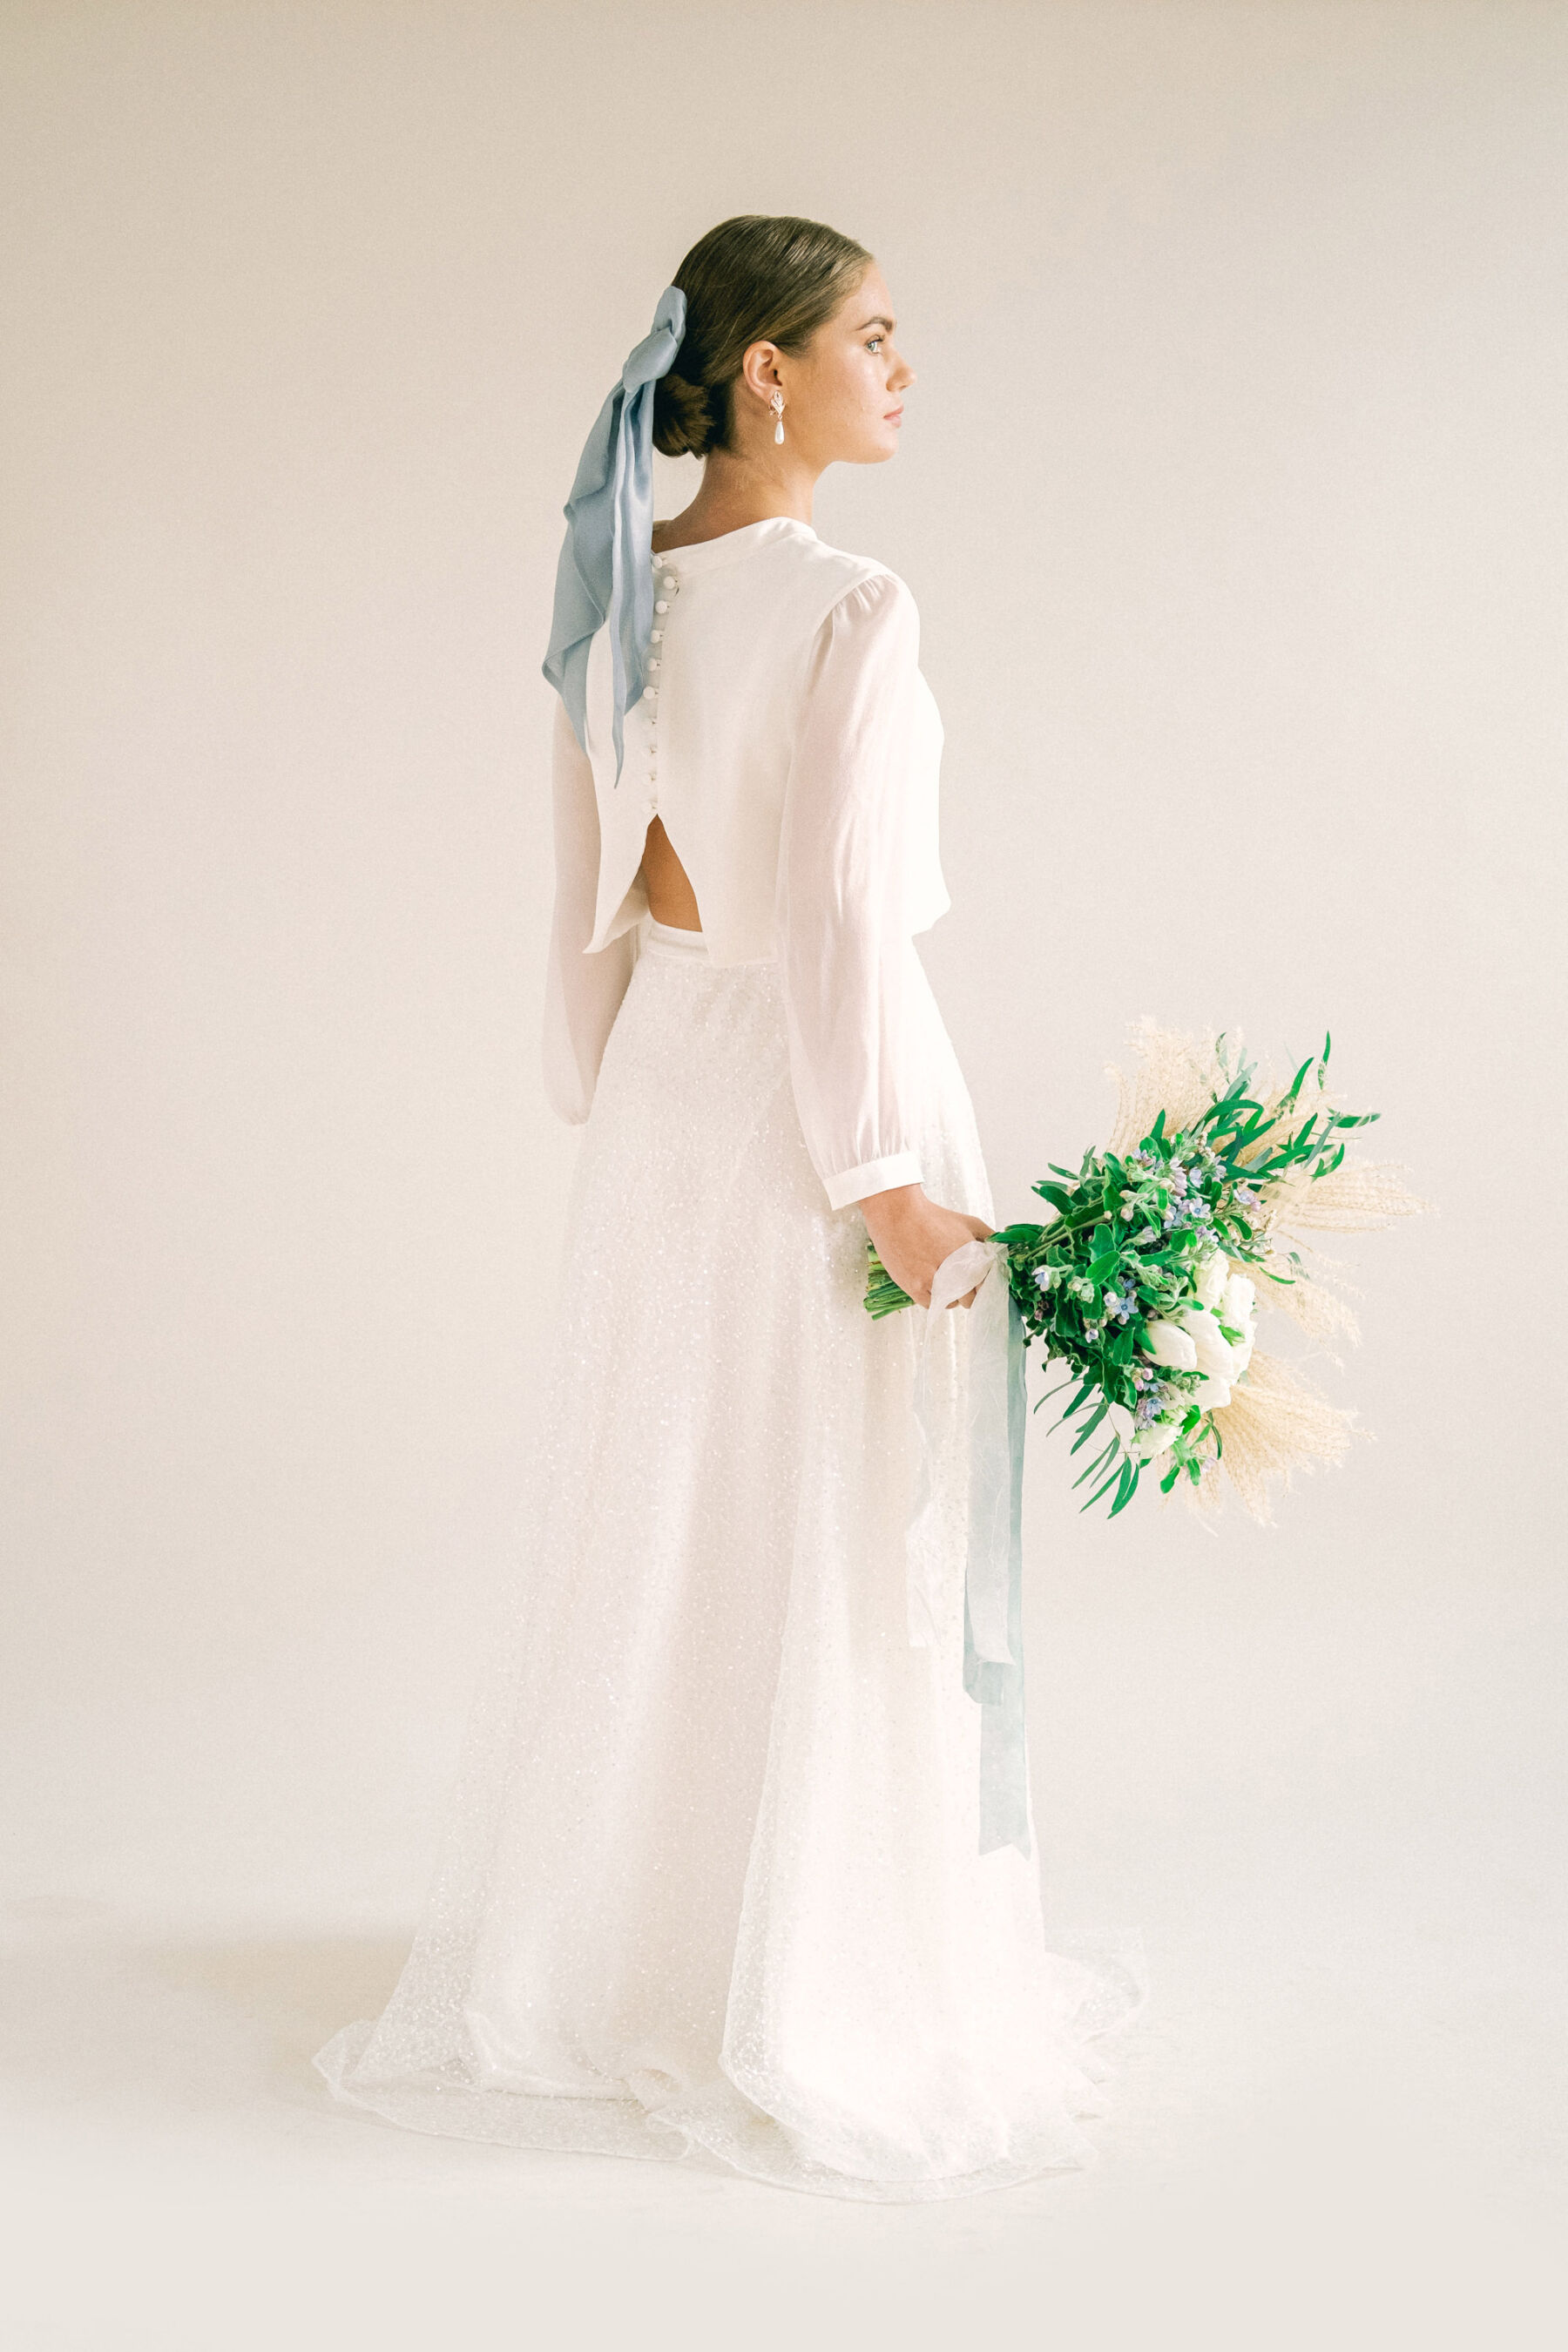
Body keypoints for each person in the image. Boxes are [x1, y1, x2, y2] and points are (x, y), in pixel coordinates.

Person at [314, 214, 1142, 2201]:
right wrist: (883, 1185)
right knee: (829, 1522)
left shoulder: (619, 581)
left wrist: (605, 1083)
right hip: (814, 1096)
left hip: (669, 1092)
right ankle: (811, 1973)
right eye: (872, 333)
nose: (903, 367)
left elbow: (578, 872)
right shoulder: (853, 604)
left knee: (676, 1508)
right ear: (766, 373)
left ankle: (628, 1959)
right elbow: (844, 918)